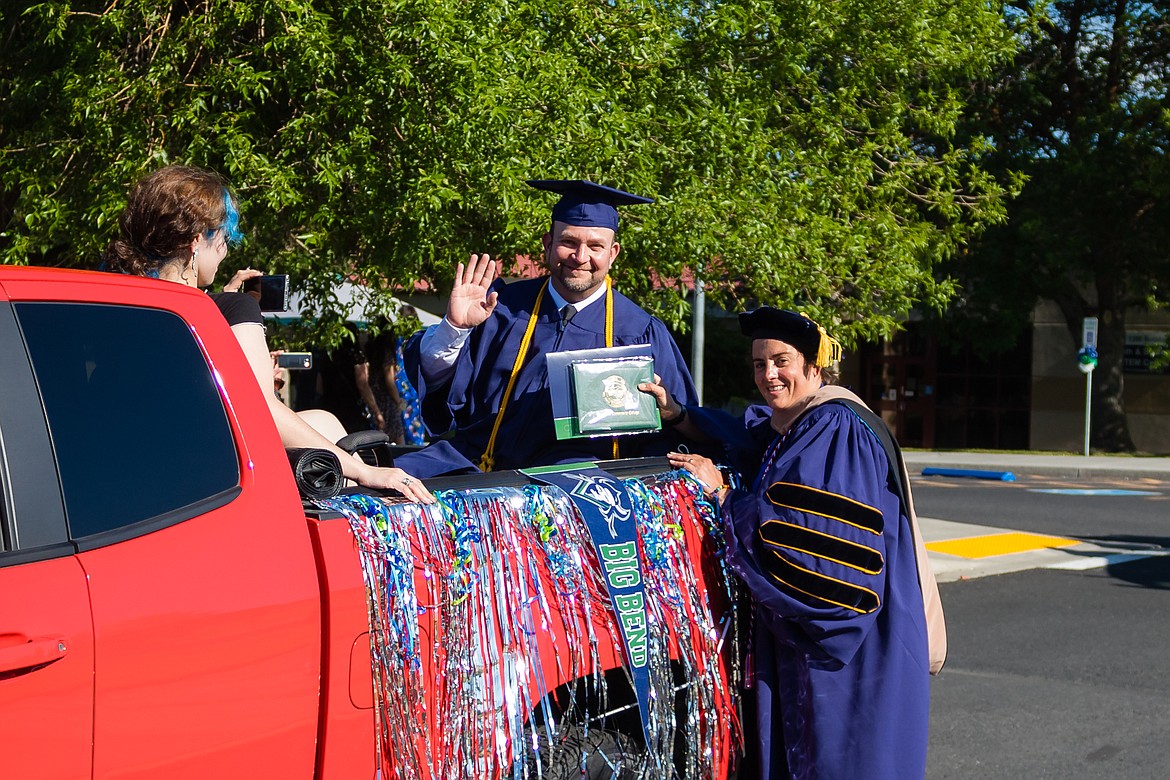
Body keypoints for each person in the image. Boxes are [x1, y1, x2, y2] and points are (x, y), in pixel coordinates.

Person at [644, 307, 943, 780]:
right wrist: (677, 415)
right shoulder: (797, 426)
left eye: (781, 361)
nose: (769, 375)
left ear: (814, 367)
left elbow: (810, 549)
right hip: (824, 645)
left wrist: (722, 495)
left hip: (848, 654)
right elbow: (742, 436)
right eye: (759, 364)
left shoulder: (834, 429)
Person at [101, 164, 434, 502]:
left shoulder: (118, 307)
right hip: (216, 482)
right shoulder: (233, 309)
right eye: (224, 239)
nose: (225, 252)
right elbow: (262, 413)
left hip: (131, 481)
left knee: (321, 418)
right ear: (197, 240)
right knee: (329, 426)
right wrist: (365, 471)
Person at [405, 179, 698, 471]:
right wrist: (455, 328)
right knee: (380, 487)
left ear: (613, 253)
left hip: (579, 484)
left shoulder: (640, 332)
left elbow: (681, 426)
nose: (580, 257)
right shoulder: (500, 307)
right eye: (569, 242)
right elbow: (439, 384)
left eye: (595, 246)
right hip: (476, 465)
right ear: (548, 243)